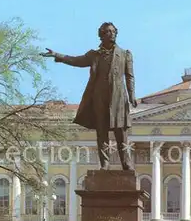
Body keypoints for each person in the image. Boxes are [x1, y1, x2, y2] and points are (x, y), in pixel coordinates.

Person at [41, 22, 139, 171]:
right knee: (101, 132)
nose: (111, 34)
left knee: (121, 133)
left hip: (118, 98)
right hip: (98, 97)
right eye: (107, 32)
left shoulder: (125, 54)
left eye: (113, 32)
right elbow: (76, 60)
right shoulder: (94, 55)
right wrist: (57, 55)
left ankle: (126, 163)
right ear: (101, 35)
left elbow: (129, 76)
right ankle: (104, 163)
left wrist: (132, 95)